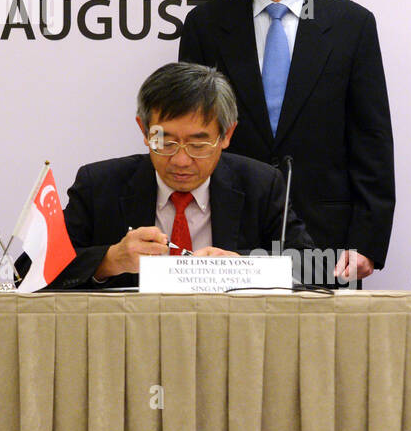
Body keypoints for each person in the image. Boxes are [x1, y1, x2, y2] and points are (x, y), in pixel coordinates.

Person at [178, 0, 393, 281]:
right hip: (227, 231)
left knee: (321, 345)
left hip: (323, 238)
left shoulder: (350, 25)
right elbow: (192, 132)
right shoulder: (207, 25)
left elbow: (372, 141)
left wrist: (366, 243)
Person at [49, 61, 314, 289]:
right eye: (165, 142)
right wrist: (109, 260)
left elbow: (310, 266)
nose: (181, 160)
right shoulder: (100, 184)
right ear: (144, 130)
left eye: (198, 145)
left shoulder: (261, 184)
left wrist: (240, 264)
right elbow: (30, 271)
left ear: (227, 135)